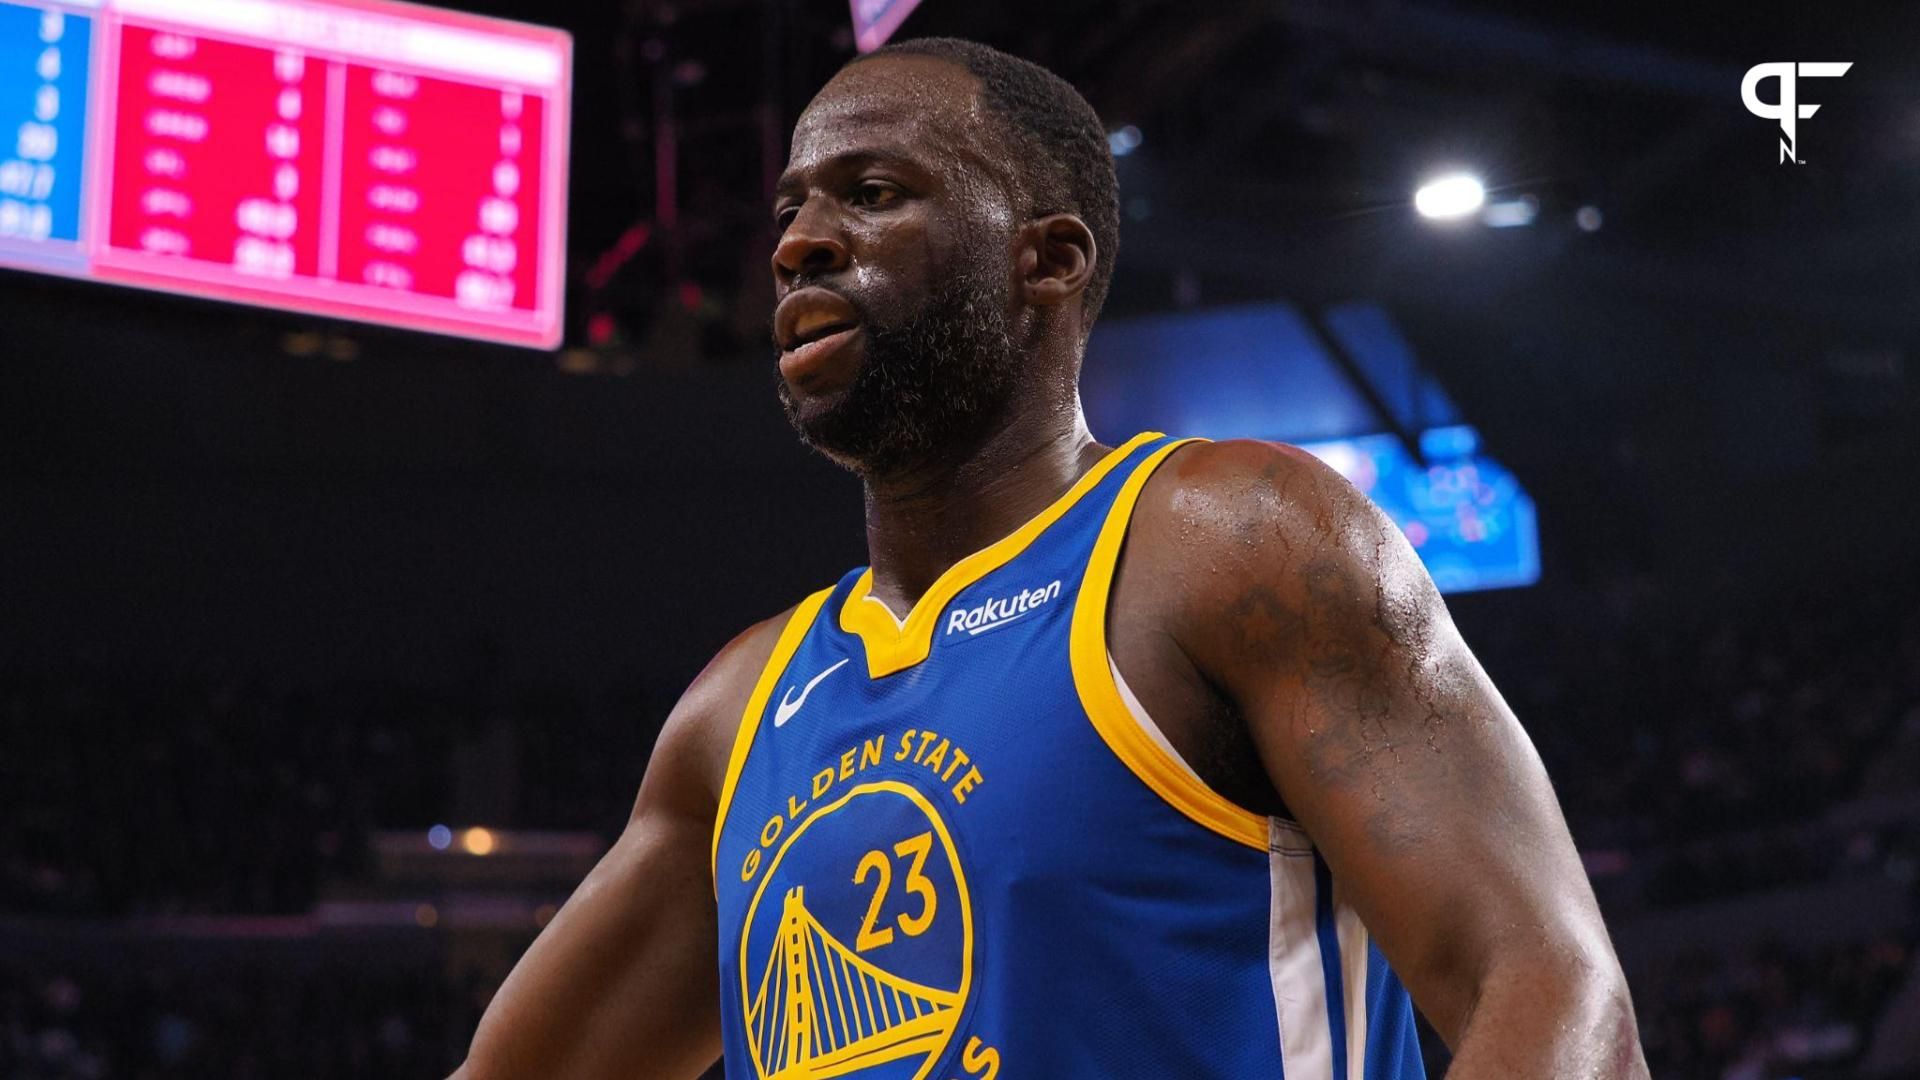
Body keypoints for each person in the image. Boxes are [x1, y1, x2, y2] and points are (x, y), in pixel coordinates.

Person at [456, 37, 1647, 1080]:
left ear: (1050, 259)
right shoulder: (735, 713)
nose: (802, 246)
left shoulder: (1231, 542)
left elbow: (1551, 994)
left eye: (870, 193)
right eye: (789, 213)